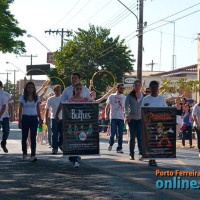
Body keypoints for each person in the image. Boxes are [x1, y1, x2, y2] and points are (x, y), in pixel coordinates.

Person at [142, 80, 168, 166]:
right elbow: (142, 111)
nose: (154, 89)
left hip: (159, 124)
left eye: (155, 87)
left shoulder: (161, 99)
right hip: (149, 124)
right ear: (150, 88)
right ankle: (150, 158)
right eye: (152, 87)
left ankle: (154, 158)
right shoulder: (145, 99)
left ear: (157, 88)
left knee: (156, 141)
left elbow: (166, 111)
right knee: (150, 141)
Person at [18, 82, 42, 162]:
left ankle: (33, 155)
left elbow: (38, 109)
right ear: (26, 88)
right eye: (28, 87)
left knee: (33, 137)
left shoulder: (37, 97)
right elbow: (20, 110)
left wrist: (40, 120)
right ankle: (24, 154)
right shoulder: (22, 97)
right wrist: (19, 121)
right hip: (25, 118)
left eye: (32, 87)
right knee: (24, 137)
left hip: (34, 118)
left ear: (34, 88)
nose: (30, 89)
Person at [67, 83, 89, 168]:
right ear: (74, 90)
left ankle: (75, 159)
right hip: (72, 123)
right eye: (77, 89)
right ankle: (74, 158)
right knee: (74, 140)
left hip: (81, 123)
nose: (79, 90)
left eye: (80, 89)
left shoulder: (85, 99)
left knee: (79, 140)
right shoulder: (70, 100)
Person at [125, 79, 145, 160]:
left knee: (140, 136)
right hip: (132, 119)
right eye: (135, 85)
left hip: (140, 119)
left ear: (141, 86)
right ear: (133, 86)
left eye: (138, 85)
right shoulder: (129, 95)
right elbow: (126, 107)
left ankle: (141, 153)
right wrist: (127, 116)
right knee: (132, 137)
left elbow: (146, 106)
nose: (137, 87)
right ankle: (131, 153)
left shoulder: (143, 95)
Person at [106, 83, 126, 153]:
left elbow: (126, 108)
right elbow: (107, 106)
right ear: (117, 88)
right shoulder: (111, 96)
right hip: (113, 117)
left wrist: (126, 117)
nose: (122, 90)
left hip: (121, 118)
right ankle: (111, 143)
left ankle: (119, 148)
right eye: (121, 88)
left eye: (123, 88)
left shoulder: (124, 97)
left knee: (120, 134)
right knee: (112, 133)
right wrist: (106, 114)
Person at [46, 85, 63, 154]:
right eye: (56, 90)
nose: (58, 91)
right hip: (53, 118)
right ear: (54, 91)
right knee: (54, 134)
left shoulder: (63, 98)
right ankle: (55, 148)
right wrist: (46, 119)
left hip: (62, 118)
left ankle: (60, 144)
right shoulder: (50, 99)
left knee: (62, 133)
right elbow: (47, 109)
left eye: (59, 90)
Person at [0, 81, 13, 153]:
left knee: (6, 131)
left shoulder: (6, 94)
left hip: (5, 116)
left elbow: (10, 106)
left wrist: (12, 116)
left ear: (1, 86)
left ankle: (3, 143)